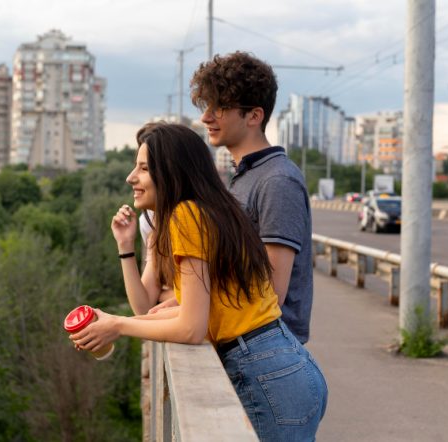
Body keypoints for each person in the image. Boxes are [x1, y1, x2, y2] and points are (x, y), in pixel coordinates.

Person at [70, 122, 327, 441]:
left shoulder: (186, 217)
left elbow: (191, 328)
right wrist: (111, 321)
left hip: (267, 373)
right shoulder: (207, 210)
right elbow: (199, 310)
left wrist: (118, 326)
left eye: (144, 169)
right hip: (282, 363)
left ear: (172, 172)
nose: (130, 178)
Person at [189, 51, 315, 344]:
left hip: (266, 352)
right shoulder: (246, 176)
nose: (206, 117)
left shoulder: (277, 181)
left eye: (220, 107)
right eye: (207, 106)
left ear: (254, 116)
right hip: (246, 344)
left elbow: (270, 293)